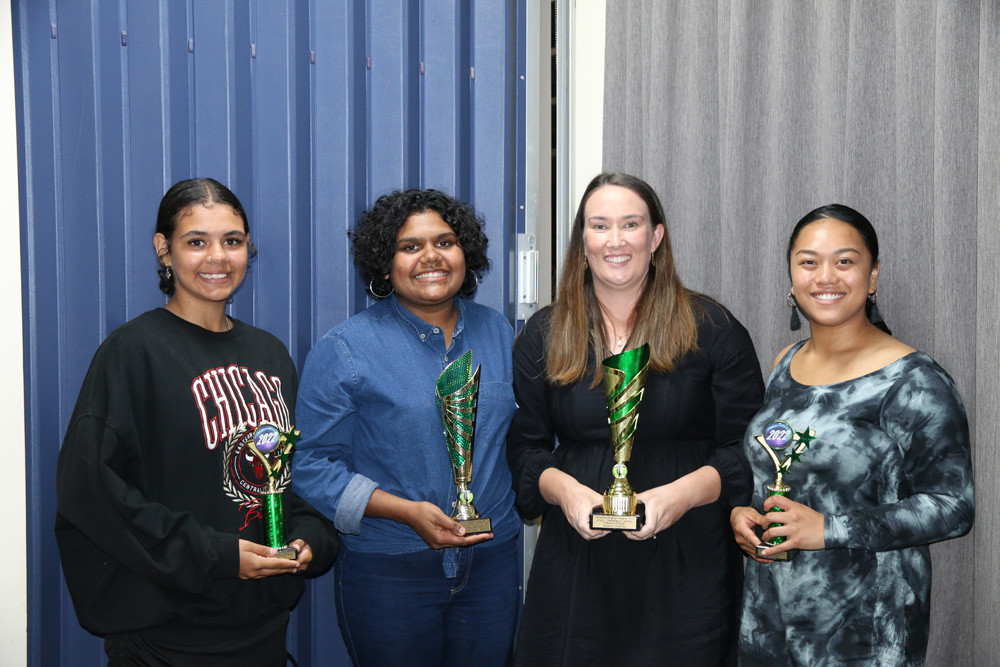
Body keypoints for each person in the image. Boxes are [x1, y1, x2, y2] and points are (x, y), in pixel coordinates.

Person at [55, 178, 340, 666]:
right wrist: (216, 554)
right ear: (163, 250)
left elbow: (297, 471)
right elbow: (92, 490)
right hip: (165, 639)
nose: (217, 257)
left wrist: (310, 538)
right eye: (196, 242)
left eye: (232, 241)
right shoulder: (132, 352)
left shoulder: (269, 354)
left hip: (262, 628)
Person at [507, 172, 764, 665]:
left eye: (631, 224)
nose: (616, 240)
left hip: (687, 557)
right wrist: (565, 491)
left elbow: (747, 449)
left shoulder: (712, 328)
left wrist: (677, 497)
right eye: (599, 226)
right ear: (583, 241)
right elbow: (525, 449)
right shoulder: (544, 333)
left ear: (656, 237)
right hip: (577, 560)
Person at [731, 204, 975, 666]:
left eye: (845, 261)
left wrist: (828, 529)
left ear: (873, 275)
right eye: (809, 262)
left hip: (865, 630)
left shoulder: (913, 380)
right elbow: (779, 472)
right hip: (770, 618)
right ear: (791, 276)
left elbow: (954, 507)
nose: (826, 276)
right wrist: (747, 514)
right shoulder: (784, 363)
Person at [290, 189, 519, 666]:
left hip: (492, 565)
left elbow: (521, 438)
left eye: (445, 241)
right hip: (390, 571)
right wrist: (405, 512)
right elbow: (311, 465)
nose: (431, 256)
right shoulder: (344, 349)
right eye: (410, 246)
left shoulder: (499, 332)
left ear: (466, 252)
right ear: (385, 263)